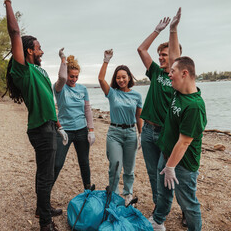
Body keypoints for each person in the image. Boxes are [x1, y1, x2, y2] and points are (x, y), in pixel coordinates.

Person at [0, 0, 65, 230]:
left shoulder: (39, 72)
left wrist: (57, 123)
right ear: (28, 51)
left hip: (49, 126)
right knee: (46, 175)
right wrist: (8, 1)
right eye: (39, 48)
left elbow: (49, 98)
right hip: (40, 129)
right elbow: (15, 33)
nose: (42, 51)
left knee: (46, 172)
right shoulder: (23, 71)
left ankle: (42, 208)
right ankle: (45, 223)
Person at [149, 8, 207, 231]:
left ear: (185, 74)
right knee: (163, 192)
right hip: (167, 153)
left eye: (173, 71)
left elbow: (184, 142)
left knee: (188, 203)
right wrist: (173, 30)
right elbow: (175, 58)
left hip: (183, 164)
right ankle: (158, 221)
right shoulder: (178, 91)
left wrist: (171, 167)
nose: (168, 73)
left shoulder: (194, 105)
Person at [137, 13, 186, 226]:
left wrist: (173, 30)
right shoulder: (156, 72)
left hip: (167, 135)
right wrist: (157, 30)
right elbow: (141, 50)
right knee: (153, 174)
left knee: (170, 173)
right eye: (160, 55)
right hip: (148, 131)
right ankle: (160, 214)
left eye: (165, 55)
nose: (161, 58)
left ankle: (185, 210)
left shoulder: (179, 79)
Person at [98, 49, 143, 206]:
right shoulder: (112, 93)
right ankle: (114, 195)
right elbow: (100, 78)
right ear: (115, 79)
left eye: (124, 77)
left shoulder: (137, 96)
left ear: (129, 77)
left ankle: (128, 194)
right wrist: (106, 60)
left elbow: (138, 117)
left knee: (129, 169)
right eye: (118, 77)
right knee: (115, 167)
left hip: (131, 133)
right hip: (114, 134)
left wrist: (141, 135)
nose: (121, 80)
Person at [52, 48, 95, 190]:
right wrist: (63, 60)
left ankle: (88, 191)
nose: (74, 79)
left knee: (84, 162)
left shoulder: (83, 89)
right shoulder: (60, 88)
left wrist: (91, 129)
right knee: (57, 163)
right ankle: (45, 194)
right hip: (65, 130)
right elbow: (62, 78)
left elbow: (87, 110)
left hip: (81, 130)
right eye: (72, 76)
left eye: (76, 76)